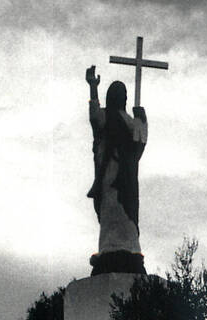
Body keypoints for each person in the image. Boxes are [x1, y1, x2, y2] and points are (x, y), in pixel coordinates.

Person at [86, 64, 148, 275]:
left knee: (128, 215)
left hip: (127, 180)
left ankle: (130, 249)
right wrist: (92, 88)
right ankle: (108, 250)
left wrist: (142, 119)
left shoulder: (131, 122)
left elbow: (139, 144)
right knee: (110, 212)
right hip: (109, 178)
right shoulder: (105, 117)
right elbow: (94, 116)